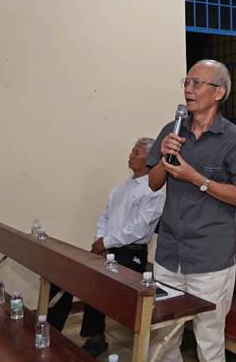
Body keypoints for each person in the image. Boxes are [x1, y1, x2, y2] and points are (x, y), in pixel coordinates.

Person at [146, 60, 236, 362]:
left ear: (219, 92)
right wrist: (164, 157)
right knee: (162, 337)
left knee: (208, 339)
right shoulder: (172, 130)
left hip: (210, 258)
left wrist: (197, 178)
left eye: (197, 83)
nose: (188, 89)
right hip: (169, 253)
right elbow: (153, 183)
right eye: (186, 82)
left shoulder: (235, 140)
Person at [46, 138, 165, 357]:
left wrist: (106, 243)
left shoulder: (153, 191)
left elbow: (138, 230)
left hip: (131, 253)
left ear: (150, 159)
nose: (130, 155)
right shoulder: (121, 187)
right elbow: (105, 216)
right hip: (106, 247)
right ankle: (49, 333)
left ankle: (96, 338)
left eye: (136, 152)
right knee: (63, 273)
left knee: (97, 279)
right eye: (132, 150)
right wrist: (99, 240)